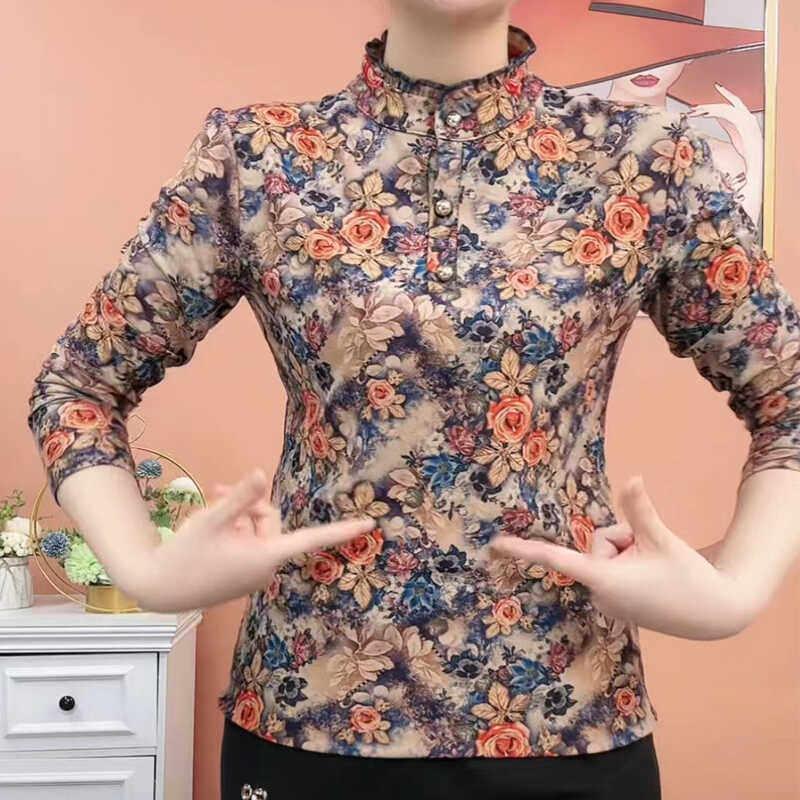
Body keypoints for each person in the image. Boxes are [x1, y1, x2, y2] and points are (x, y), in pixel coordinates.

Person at [25, 1, 800, 798]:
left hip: (569, 714)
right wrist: (147, 572)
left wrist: (733, 593)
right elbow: (78, 386)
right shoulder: (256, 160)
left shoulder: (646, 160)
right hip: (310, 713)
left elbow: (789, 395)